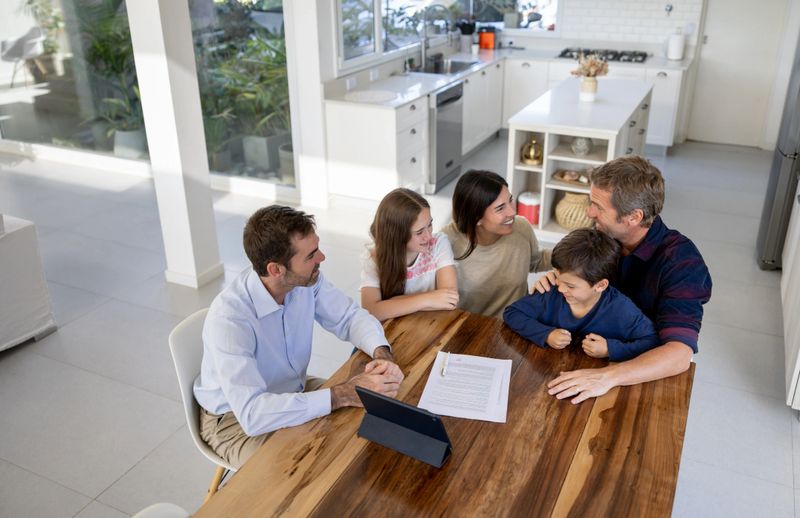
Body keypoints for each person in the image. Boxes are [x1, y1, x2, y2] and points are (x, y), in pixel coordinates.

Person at [194, 205, 405, 469]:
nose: (322, 258)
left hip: (293, 389)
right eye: (311, 256)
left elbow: (349, 316)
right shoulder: (230, 319)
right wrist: (340, 395)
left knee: (374, 417)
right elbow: (253, 413)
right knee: (305, 471)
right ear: (276, 270)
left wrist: (381, 351)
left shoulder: (305, 281)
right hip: (234, 421)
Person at [535, 156, 712, 403]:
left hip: (640, 368)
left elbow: (679, 355)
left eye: (598, 207)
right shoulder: (601, 236)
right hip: (593, 350)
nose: (589, 212)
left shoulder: (682, 263)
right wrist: (564, 279)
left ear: (634, 217)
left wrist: (607, 377)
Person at [503, 228, 659, 360]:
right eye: (558, 278)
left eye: (570, 286)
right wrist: (547, 335)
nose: (561, 289)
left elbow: (652, 340)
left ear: (600, 286)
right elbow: (513, 312)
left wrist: (610, 349)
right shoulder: (551, 293)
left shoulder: (621, 309)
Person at [441, 169, 551, 318]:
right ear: (476, 218)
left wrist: (576, 254)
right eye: (500, 208)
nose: (512, 212)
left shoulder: (521, 227)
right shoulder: (446, 243)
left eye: (510, 200)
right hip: (468, 330)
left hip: (519, 324)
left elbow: (535, 261)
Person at [360, 188, 458, 321]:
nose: (428, 236)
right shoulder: (374, 258)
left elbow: (450, 300)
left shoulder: (439, 243)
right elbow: (371, 311)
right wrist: (429, 299)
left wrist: (393, 303)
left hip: (435, 324)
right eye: (419, 232)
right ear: (397, 235)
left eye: (430, 225)